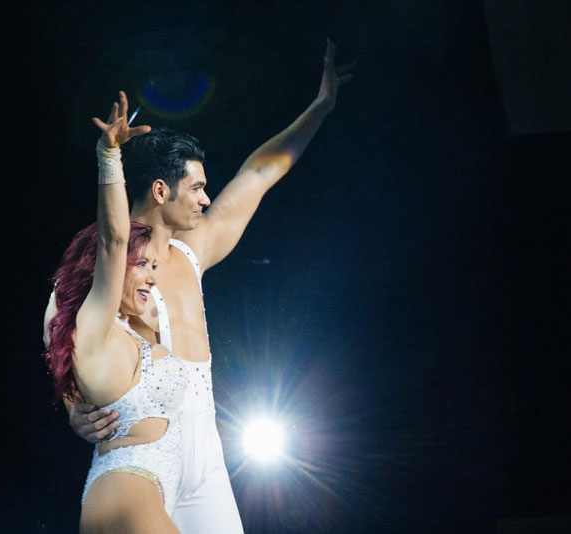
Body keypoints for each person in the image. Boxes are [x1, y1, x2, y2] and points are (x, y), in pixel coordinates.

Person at [52, 41, 353, 533]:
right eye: (195, 188)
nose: (206, 199)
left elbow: (259, 173)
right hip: (141, 453)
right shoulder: (107, 266)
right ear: (160, 191)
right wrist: (71, 409)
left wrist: (320, 108)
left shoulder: (195, 250)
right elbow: (61, 329)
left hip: (205, 456)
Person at [45, 92, 187, 533]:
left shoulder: (123, 330)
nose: (151, 278)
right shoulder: (94, 326)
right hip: (129, 497)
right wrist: (110, 157)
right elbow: (112, 239)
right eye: (141, 265)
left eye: (154, 267)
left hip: (131, 496)